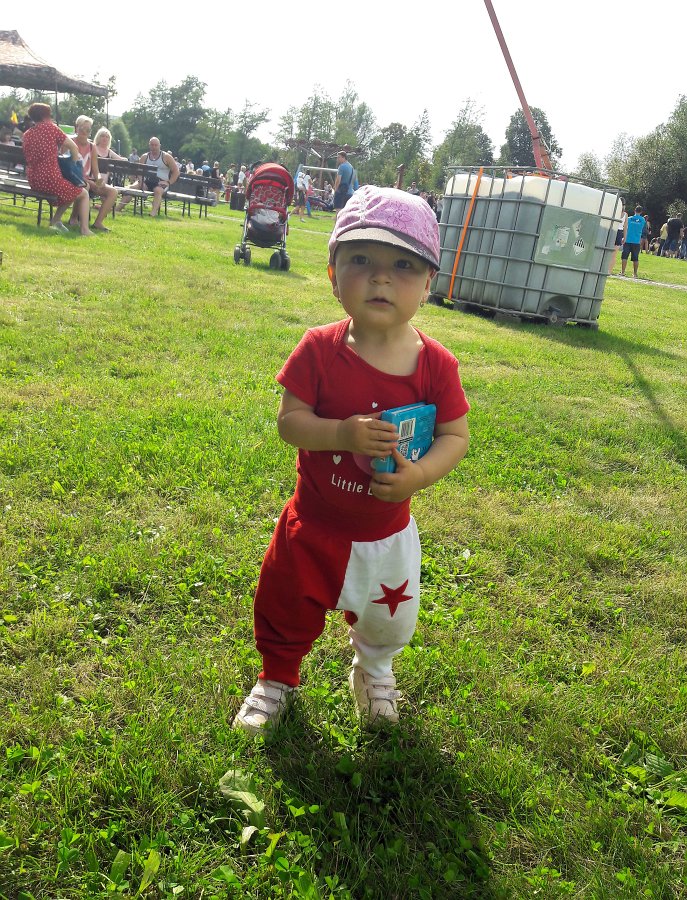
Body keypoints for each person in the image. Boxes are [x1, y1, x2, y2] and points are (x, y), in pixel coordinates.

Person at [233, 185, 470, 736]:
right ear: (332, 275)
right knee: (285, 604)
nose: (380, 278)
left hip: (386, 535)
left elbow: (455, 436)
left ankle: (375, 671)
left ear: (429, 285)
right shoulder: (319, 349)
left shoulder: (436, 365)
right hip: (313, 525)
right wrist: (340, 433)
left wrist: (420, 474)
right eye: (360, 260)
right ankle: (277, 677)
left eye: (403, 265)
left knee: (389, 617)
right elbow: (290, 423)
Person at [21, 102, 93, 236]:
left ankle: (56, 220)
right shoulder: (51, 128)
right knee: (82, 193)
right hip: (50, 179)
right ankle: (84, 229)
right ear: (46, 116)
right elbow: (73, 147)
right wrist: (73, 167)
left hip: (34, 180)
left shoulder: (27, 134)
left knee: (71, 190)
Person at [68, 116, 118, 232]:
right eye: (82, 128)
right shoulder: (70, 142)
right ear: (76, 128)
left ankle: (98, 222)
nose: (85, 132)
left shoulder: (92, 147)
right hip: (72, 178)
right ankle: (74, 218)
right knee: (85, 186)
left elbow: (95, 170)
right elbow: (68, 167)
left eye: (88, 129)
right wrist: (88, 181)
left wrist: (99, 180)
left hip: (88, 180)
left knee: (113, 191)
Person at [116, 136, 179, 217]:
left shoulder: (166, 157)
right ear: (149, 145)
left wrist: (168, 182)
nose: (154, 147)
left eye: (156, 145)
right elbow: (139, 172)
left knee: (158, 190)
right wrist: (141, 181)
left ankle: (153, 213)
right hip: (146, 181)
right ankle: (117, 209)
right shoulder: (144, 157)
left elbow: (176, 171)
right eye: (152, 145)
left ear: (159, 145)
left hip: (161, 182)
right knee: (132, 188)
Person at [620, 205, 646, 277]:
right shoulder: (643, 220)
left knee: (624, 257)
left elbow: (625, 227)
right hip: (636, 241)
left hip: (627, 239)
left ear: (634, 210)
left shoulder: (629, 219)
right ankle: (635, 273)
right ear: (641, 212)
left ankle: (623, 272)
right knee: (635, 258)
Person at [333, 150, 356, 217]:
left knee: (338, 213)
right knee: (346, 215)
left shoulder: (342, 166)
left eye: (339, 157)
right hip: (350, 193)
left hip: (341, 192)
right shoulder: (351, 167)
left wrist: (335, 190)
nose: (337, 159)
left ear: (344, 157)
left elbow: (338, 180)